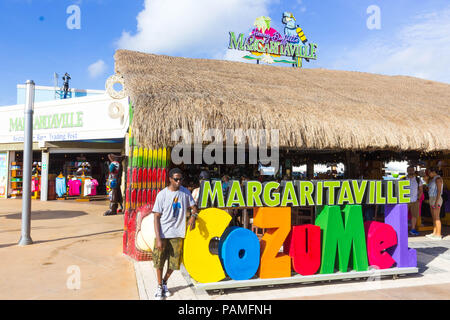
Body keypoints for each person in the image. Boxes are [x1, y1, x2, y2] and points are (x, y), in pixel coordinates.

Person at [152, 168, 198, 299]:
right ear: (170, 179)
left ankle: (165, 282)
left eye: (181, 179)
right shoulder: (162, 195)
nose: (179, 182)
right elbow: (156, 217)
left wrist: (193, 217)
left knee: (174, 263)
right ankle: (159, 286)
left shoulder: (185, 192)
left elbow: (194, 207)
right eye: (176, 179)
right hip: (164, 234)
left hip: (178, 234)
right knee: (159, 261)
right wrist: (159, 238)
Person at [404, 166, 423, 236]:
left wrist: (418, 199)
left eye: (412, 170)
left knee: (414, 216)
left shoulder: (418, 180)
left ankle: (413, 229)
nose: (411, 171)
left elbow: (421, 190)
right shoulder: (403, 179)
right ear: (407, 171)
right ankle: (403, 228)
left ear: (414, 171)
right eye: (409, 170)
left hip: (415, 200)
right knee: (403, 215)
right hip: (405, 201)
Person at [425, 167, 444, 240]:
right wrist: (426, 181)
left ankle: (438, 234)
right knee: (434, 217)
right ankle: (434, 233)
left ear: (433, 172)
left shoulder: (438, 179)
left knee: (437, 217)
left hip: (436, 198)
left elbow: (439, 191)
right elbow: (428, 189)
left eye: (429, 172)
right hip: (432, 198)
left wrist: (436, 201)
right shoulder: (433, 179)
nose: (428, 174)